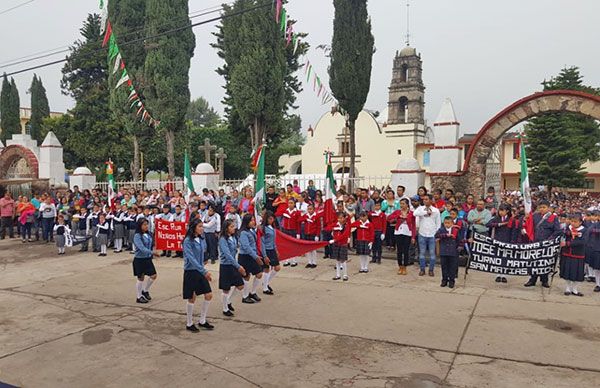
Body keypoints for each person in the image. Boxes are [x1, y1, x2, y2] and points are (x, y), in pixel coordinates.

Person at [182, 219, 214, 332]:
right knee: (192, 297)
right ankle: (189, 323)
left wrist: (204, 266)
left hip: (200, 270)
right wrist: (204, 271)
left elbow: (201, 255)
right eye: (200, 226)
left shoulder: (201, 239)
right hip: (191, 271)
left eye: (202, 226)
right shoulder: (187, 241)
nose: (202, 228)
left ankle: (202, 320)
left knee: (209, 295)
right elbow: (191, 259)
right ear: (194, 227)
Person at [524, 200, 563, 288]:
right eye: (540, 207)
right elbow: (528, 226)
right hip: (536, 243)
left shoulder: (553, 217)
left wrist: (549, 240)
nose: (542, 209)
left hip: (547, 244)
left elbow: (558, 231)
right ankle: (532, 279)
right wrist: (525, 219)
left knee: (545, 262)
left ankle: (544, 280)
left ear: (549, 208)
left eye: (544, 207)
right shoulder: (534, 216)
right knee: (534, 262)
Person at [219, 220, 246, 317]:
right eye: (231, 227)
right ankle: (225, 308)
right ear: (226, 228)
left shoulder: (233, 237)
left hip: (233, 264)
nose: (234, 228)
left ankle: (228, 301)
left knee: (240, 285)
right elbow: (227, 255)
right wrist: (238, 266)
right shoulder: (223, 239)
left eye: (234, 226)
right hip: (226, 265)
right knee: (226, 289)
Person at [237, 214, 264, 304]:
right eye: (251, 220)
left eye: (253, 220)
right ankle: (245, 296)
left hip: (251, 255)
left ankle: (253, 292)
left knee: (259, 274)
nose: (253, 222)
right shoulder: (243, 233)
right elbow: (246, 247)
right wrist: (256, 257)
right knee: (246, 276)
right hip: (245, 256)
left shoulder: (251, 230)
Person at [413, 194, 441, 276]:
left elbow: (438, 223)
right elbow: (415, 213)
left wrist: (436, 232)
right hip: (422, 233)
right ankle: (422, 269)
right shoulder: (420, 209)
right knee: (422, 253)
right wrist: (425, 212)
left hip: (432, 234)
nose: (425, 201)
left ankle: (431, 270)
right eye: (424, 199)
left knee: (432, 254)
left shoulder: (436, 210)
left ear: (431, 200)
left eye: (427, 199)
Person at [486, 204, 515, 283]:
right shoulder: (496, 218)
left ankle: (504, 275)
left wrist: (512, 242)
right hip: (497, 240)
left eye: (503, 210)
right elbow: (488, 224)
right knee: (497, 257)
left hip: (507, 240)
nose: (501, 212)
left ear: (507, 211)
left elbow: (513, 232)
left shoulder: (511, 219)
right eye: (500, 210)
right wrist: (499, 224)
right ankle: (498, 274)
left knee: (505, 258)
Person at [132, 219, 159, 304]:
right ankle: (139, 296)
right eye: (144, 225)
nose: (146, 226)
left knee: (153, 275)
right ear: (140, 226)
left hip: (147, 259)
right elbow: (142, 248)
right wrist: (152, 252)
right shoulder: (137, 236)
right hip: (139, 259)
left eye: (147, 224)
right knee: (141, 278)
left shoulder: (148, 234)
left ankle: (145, 290)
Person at [560, 214, 586, 296]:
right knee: (567, 271)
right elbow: (563, 236)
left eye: (575, 222)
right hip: (567, 253)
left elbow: (582, 241)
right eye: (572, 221)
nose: (573, 223)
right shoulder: (567, 228)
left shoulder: (584, 230)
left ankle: (575, 289)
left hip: (578, 253)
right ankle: (567, 288)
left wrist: (568, 243)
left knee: (577, 272)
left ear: (580, 222)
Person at [388, 198, 416, 275]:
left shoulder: (411, 213)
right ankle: (400, 266)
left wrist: (413, 236)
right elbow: (389, 218)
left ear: (407, 204)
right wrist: (398, 217)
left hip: (407, 233)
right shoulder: (397, 212)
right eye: (401, 204)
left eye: (403, 204)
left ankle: (405, 267)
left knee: (406, 251)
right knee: (399, 251)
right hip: (398, 232)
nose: (402, 205)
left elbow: (413, 225)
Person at [436, 216, 460, 288]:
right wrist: (446, 235)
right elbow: (436, 235)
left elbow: (459, 240)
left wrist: (460, 246)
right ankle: (444, 280)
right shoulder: (441, 229)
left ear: (452, 223)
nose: (447, 224)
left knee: (452, 267)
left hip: (453, 252)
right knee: (444, 267)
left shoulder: (455, 230)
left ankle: (451, 281)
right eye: (445, 223)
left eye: (448, 223)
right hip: (444, 251)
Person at [261, 211, 280, 294]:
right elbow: (262, 242)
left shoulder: (272, 228)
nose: (272, 220)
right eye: (270, 219)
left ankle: (266, 282)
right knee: (266, 269)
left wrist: (276, 249)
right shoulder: (263, 228)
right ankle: (265, 288)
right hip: (266, 250)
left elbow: (273, 241)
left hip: (272, 249)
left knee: (277, 267)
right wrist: (264, 255)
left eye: (273, 218)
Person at [329, 212, 351, 281]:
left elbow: (344, 235)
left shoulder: (346, 226)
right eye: (338, 218)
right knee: (337, 260)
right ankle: (338, 274)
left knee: (343, 260)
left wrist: (335, 239)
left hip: (342, 244)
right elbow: (331, 229)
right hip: (336, 244)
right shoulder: (336, 225)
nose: (339, 219)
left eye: (341, 218)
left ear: (344, 218)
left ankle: (345, 275)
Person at [299, 204, 321, 268]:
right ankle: (309, 262)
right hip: (306, 233)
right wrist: (305, 219)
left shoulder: (316, 216)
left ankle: (314, 262)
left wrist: (317, 235)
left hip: (313, 234)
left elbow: (318, 226)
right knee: (308, 249)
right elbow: (299, 220)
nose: (309, 210)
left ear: (314, 209)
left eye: (311, 209)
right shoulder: (306, 215)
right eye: (308, 209)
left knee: (313, 249)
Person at [281, 198, 300, 267]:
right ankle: (287, 260)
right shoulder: (286, 211)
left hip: (293, 230)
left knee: (293, 246)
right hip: (286, 230)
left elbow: (298, 223)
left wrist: (298, 233)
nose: (290, 204)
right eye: (289, 203)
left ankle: (294, 261)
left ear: (294, 204)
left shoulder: (297, 212)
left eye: (291, 203)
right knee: (286, 245)